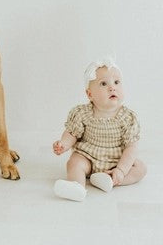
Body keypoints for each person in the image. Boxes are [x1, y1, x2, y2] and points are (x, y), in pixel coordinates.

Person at [52, 58, 146, 201]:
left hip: (116, 161)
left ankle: (109, 179)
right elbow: (72, 132)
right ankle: (76, 186)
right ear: (90, 94)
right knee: (74, 162)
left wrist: (120, 170)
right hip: (88, 158)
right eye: (103, 83)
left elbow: (131, 147)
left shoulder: (128, 117)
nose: (112, 87)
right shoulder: (82, 113)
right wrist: (64, 144)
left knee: (140, 168)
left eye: (116, 82)